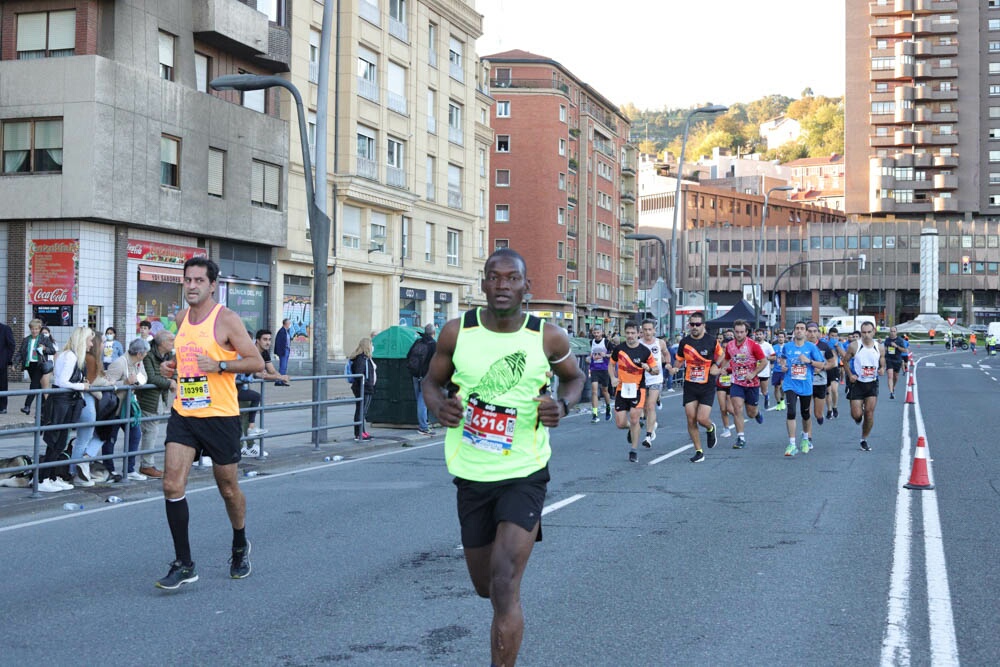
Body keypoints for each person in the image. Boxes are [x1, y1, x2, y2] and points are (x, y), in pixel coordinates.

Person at [421, 248, 584, 667]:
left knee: (505, 584)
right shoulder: (457, 331)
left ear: (527, 287)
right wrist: (440, 407)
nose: (502, 285)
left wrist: (562, 407)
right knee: (485, 587)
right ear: (483, 284)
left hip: (524, 472)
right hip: (471, 472)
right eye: (494, 277)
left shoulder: (547, 336)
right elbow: (431, 382)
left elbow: (574, 378)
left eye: (512, 278)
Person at [156, 256, 265, 590]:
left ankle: (239, 543)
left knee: (228, 488)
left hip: (220, 416)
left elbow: (256, 362)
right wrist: (170, 367)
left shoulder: (227, 320)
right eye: (187, 280)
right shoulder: (180, 318)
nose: (191, 286)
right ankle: (185, 563)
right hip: (186, 412)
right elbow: (186, 358)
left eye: (198, 281)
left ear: (212, 285)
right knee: (172, 485)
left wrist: (219, 365)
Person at [37, 327, 93, 493]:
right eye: (89, 340)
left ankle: (52, 477)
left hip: (67, 402)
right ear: (82, 340)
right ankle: (43, 479)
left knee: (60, 442)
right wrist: (82, 385)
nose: (91, 344)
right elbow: (62, 381)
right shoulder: (70, 356)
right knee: (54, 441)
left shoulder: (73, 356)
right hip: (61, 403)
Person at [674, 312, 724, 463]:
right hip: (690, 384)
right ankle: (699, 451)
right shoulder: (684, 342)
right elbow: (679, 360)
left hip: (707, 384)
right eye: (692, 324)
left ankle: (710, 428)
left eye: (697, 324)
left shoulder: (711, 340)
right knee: (690, 419)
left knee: (701, 418)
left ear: (703, 325)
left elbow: (722, 355)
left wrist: (716, 365)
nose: (694, 327)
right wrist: (674, 368)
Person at [610, 321, 662, 463]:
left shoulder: (645, 351)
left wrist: (649, 368)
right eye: (628, 333)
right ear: (624, 333)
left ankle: (633, 450)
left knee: (634, 418)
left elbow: (656, 369)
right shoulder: (619, 349)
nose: (630, 336)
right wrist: (612, 377)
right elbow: (611, 363)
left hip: (638, 389)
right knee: (620, 423)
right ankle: (634, 428)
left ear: (638, 333)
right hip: (622, 389)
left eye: (633, 333)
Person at [776, 321, 826, 456]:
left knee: (805, 414)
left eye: (802, 329)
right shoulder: (787, 346)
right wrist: (783, 366)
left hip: (806, 385)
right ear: (794, 331)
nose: (799, 331)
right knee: (791, 411)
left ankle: (805, 439)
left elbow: (821, 365)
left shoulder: (811, 347)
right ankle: (792, 444)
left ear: (805, 332)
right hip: (790, 384)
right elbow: (782, 359)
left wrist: (809, 361)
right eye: (797, 328)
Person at [105, 338, 150, 481]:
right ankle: (109, 470)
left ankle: (130, 469)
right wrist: (125, 382)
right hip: (115, 409)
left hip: (129, 407)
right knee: (110, 438)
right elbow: (107, 385)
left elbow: (144, 377)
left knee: (135, 435)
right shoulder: (118, 364)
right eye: (145, 353)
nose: (146, 355)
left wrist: (137, 381)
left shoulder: (138, 362)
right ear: (140, 354)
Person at [137, 330, 176, 479]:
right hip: (148, 399)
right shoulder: (149, 355)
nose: (173, 343)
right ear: (162, 343)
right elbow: (151, 378)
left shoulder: (166, 355)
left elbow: (173, 371)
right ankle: (147, 465)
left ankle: (147, 464)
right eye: (171, 340)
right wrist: (169, 383)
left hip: (160, 397)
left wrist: (173, 380)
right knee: (150, 431)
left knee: (152, 431)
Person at [842, 321, 886, 452]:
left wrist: (882, 368)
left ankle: (864, 439)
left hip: (872, 383)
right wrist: (850, 374)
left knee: (869, 413)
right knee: (857, 415)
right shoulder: (854, 346)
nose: (866, 335)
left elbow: (882, 359)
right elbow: (845, 361)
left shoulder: (879, 347)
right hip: (857, 383)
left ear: (874, 332)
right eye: (863, 332)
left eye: (868, 332)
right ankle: (858, 418)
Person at [725, 320, 767, 450]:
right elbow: (727, 359)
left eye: (741, 332)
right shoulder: (730, 345)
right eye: (736, 332)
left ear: (746, 332)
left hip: (752, 383)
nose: (739, 334)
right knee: (737, 408)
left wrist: (754, 373)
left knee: (750, 413)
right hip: (737, 382)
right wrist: (722, 368)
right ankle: (740, 438)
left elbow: (764, 362)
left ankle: (757, 412)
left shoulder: (753, 345)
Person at [13, 319, 56, 416]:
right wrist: (15, 364)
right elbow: (21, 353)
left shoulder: (44, 339)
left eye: (36, 329)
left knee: (33, 385)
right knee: (38, 387)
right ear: (30, 329)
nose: (34, 331)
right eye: (32, 329)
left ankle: (27, 406)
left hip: (39, 364)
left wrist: (45, 348)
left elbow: (52, 350)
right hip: (29, 365)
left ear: (39, 329)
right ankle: (44, 409)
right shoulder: (26, 339)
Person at [638, 319, 669, 449]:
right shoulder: (638, 344)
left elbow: (666, 353)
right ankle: (652, 424)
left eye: (650, 329)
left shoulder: (659, 343)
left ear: (654, 330)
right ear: (641, 331)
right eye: (645, 330)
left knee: (651, 406)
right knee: (644, 408)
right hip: (641, 379)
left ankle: (648, 436)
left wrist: (668, 363)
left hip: (656, 378)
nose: (647, 332)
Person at [406, 323, 437, 435]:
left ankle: (424, 422)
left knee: (419, 400)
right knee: (423, 401)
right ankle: (423, 427)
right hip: (427, 377)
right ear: (433, 333)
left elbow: (408, 356)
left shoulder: (418, 342)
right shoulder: (433, 344)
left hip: (415, 375)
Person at [806, 322, 836, 428]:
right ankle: (807, 437)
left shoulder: (824, 346)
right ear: (806, 332)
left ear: (818, 333)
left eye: (815, 331)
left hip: (820, 382)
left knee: (817, 414)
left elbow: (832, 363)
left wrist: (822, 367)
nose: (812, 334)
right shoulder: (801, 346)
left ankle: (820, 416)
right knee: (806, 414)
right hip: (805, 382)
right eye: (809, 331)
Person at [348, 337, 376, 442]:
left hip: (366, 387)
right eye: (371, 344)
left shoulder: (365, 358)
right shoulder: (361, 359)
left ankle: (362, 431)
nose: (373, 346)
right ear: (367, 346)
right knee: (361, 411)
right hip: (364, 388)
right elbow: (359, 374)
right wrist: (365, 385)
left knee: (362, 411)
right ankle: (359, 433)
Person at [587, 324, 614, 423]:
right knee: (594, 391)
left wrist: (605, 355)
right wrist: (590, 358)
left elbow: (614, 355)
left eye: (598, 333)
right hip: (594, 369)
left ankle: (608, 407)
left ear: (602, 333)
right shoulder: (591, 342)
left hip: (604, 369)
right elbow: (590, 355)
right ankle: (595, 414)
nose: (596, 335)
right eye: (594, 333)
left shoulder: (606, 342)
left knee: (604, 391)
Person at [824, 327, 844, 419]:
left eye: (836, 336)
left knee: (834, 390)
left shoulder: (839, 344)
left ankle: (835, 407)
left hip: (835, 368)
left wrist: (837, 347)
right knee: (828, 391)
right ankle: (829, 410)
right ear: (828, 335)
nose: (834, 338)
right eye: (832, 336)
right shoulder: (825, 344)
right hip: (825, 369)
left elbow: (844, 355)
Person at [883, 326, 906, 400]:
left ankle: (893, 387)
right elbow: (885, 349)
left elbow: (904, 350)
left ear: (896, 332)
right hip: (889, 360)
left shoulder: (900, 340)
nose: (892, 333)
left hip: (897, 360)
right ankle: (891, 393)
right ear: (889, 332)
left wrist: (897, 346)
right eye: (891, 331)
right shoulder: (887, 340)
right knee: (890, 376)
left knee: (895, 377)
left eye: (894, 331)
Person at [754, 329, 774, 411]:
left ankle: (766, 397)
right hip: (754, 372)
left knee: (764, 391)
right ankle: (755, 405)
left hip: (764, 372)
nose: (758, 336)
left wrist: (765, 358)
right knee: (754, 390)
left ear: (764, 335)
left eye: (760, 334)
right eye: (757, 334)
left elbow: (774, 357)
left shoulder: (768, 345)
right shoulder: (753, 345)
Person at [767, 330, 788, 412]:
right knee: (776, 387)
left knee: (782, 386)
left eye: (782, 337)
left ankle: (782, 399)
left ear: (784, 338)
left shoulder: (787, 346)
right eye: (779, 337)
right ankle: (778, 402)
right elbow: (771, 357)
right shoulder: (774, 347)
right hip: (776, 370)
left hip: (784, 370)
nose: (780, 338)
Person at [0, 319, 14, 414]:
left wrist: (6, 360)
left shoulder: (5, 329)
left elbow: (11, 345)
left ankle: (2, 407)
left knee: (2, 385)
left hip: (1, 364)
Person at [273, 318, 292, 384]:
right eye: (289, 323)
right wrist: (279, 351)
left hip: (286, 350)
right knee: (282, 366)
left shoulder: (286, 331)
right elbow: (279, 342)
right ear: (286, 324)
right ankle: (279, 381)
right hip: (283, 351)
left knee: (284, 366)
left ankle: (283, 380)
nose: (290, 324)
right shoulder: (281, 331)